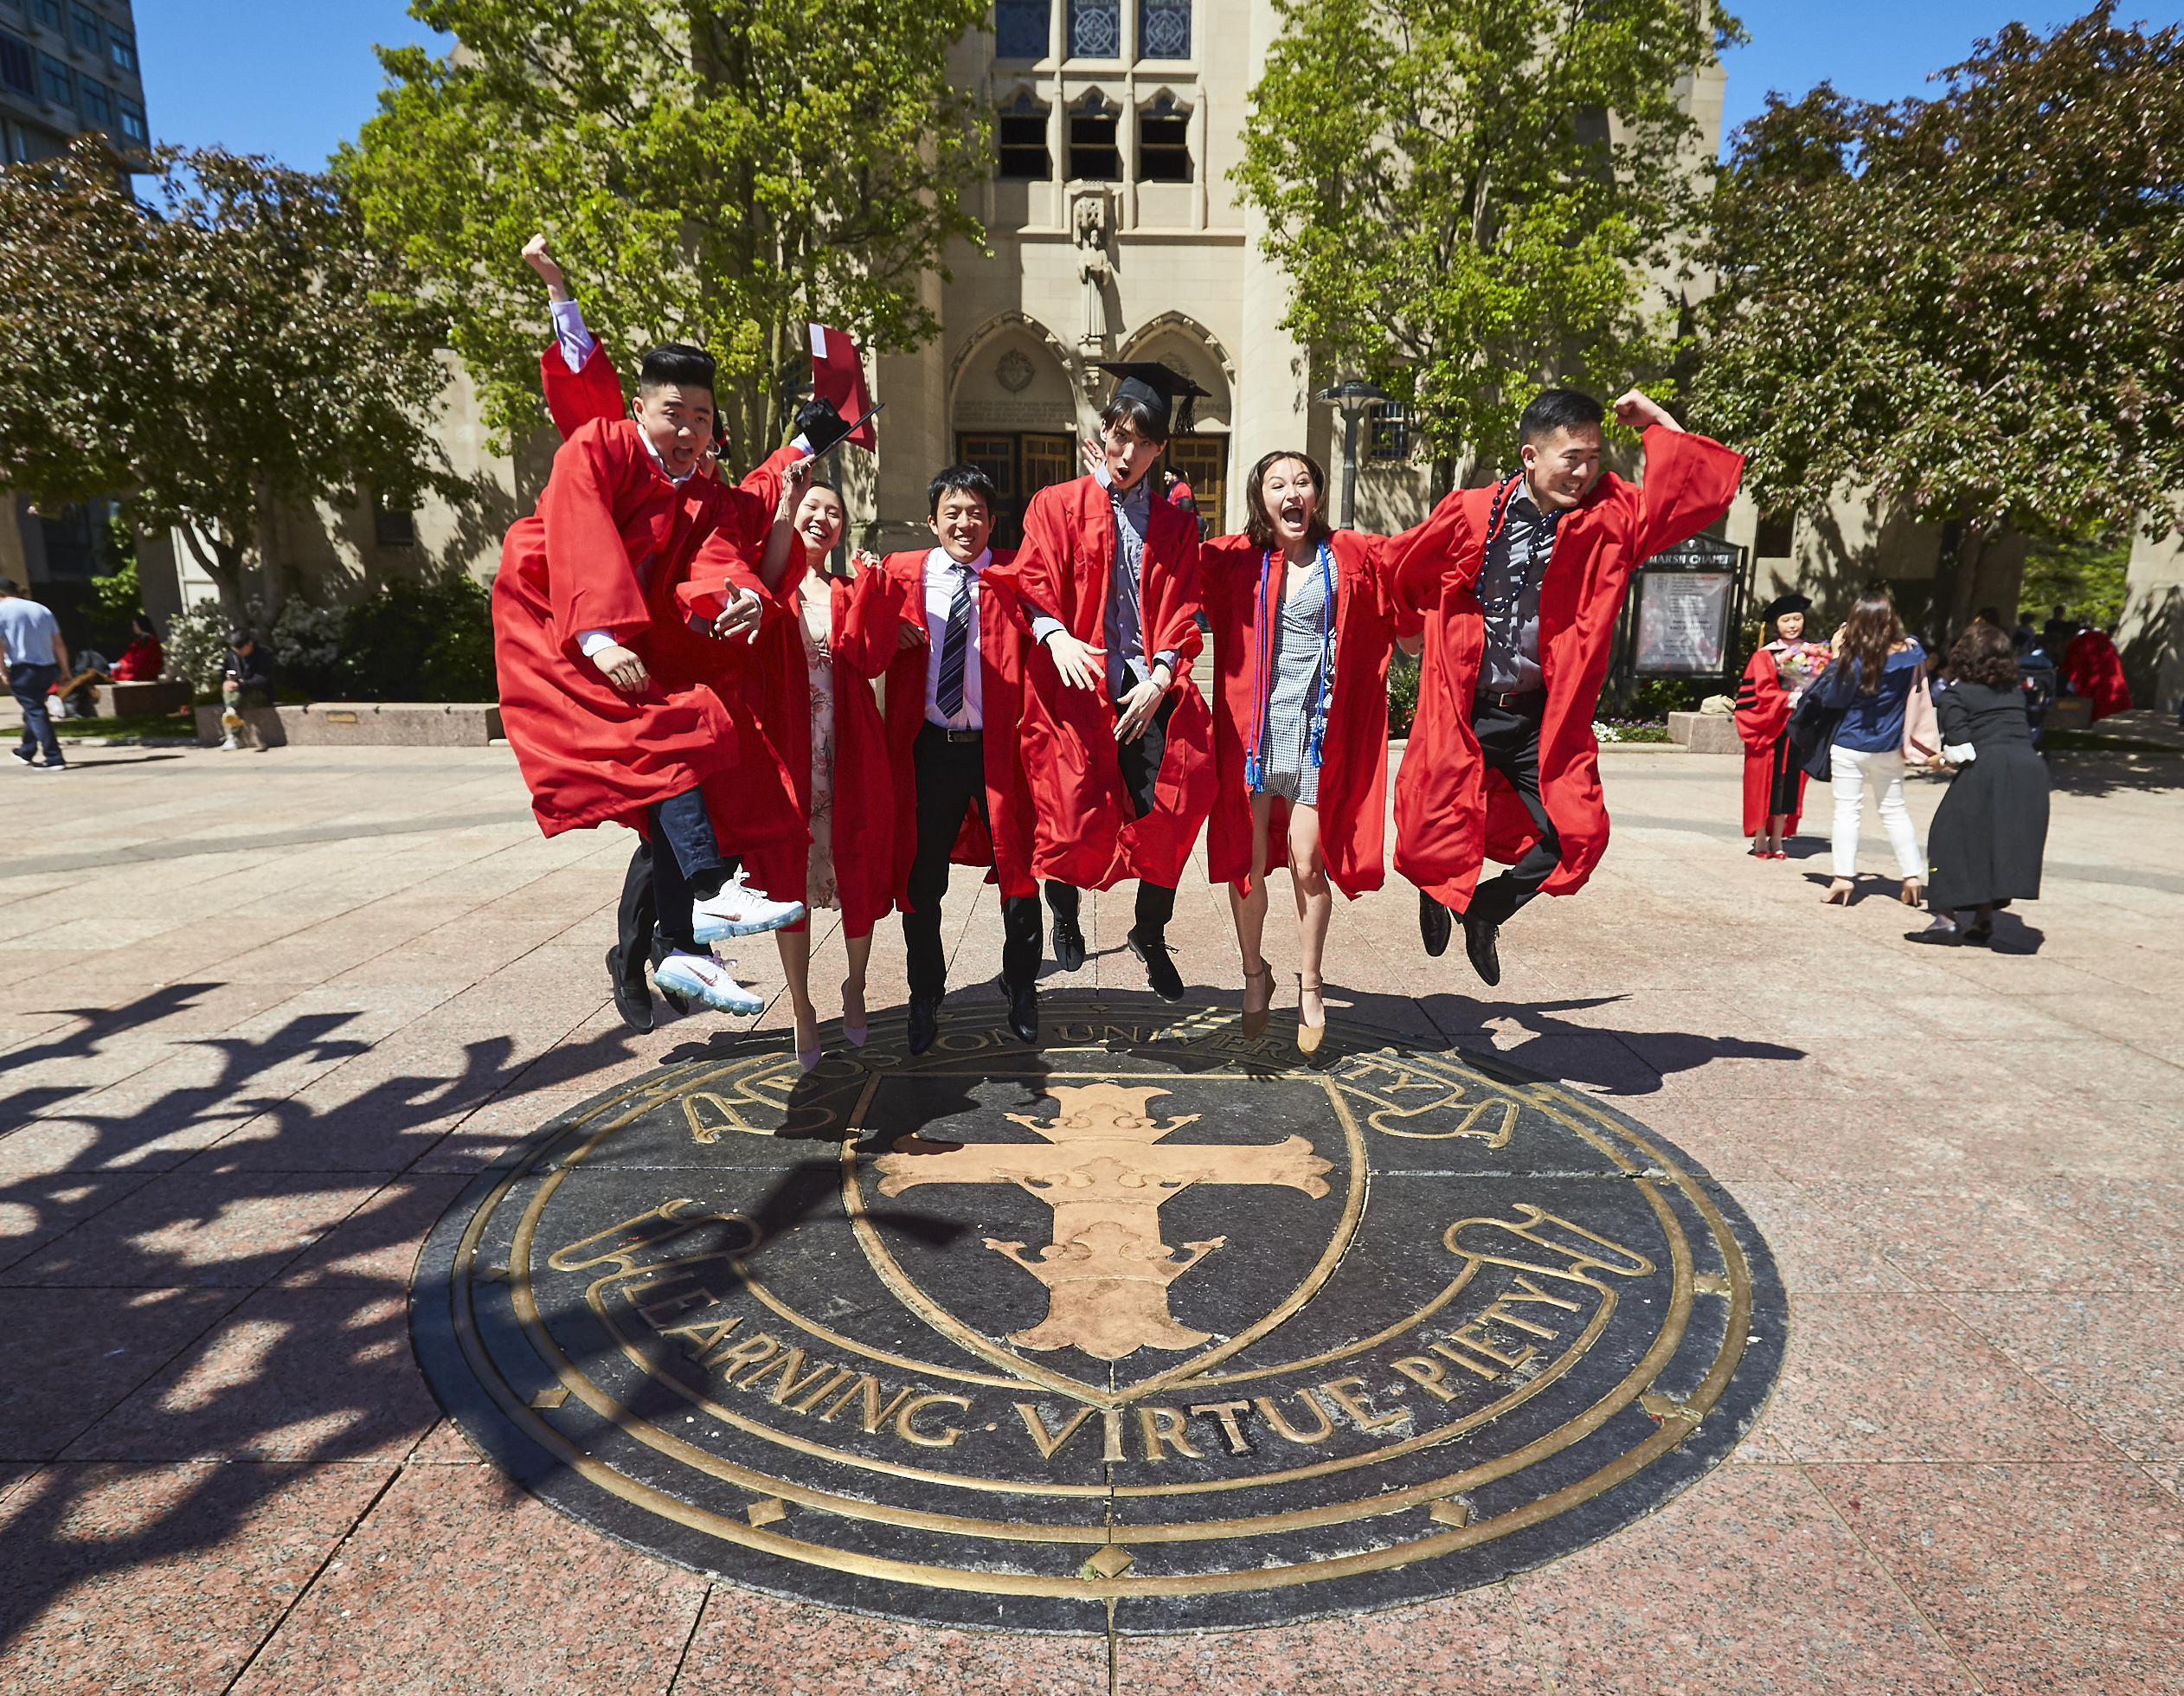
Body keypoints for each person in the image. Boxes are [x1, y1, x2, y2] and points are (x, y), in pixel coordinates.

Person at [517, 235, 855, 1031]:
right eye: (675, 413)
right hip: (563, 625)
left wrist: (738, 597)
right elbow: (577, 515)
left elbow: (737, 531)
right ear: (641, 409)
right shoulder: (599, 449)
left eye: (702, 417)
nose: (689, 429)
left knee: (694, 741)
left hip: (651, 648)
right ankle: (697, 906)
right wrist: (559, 287)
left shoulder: (703, 489)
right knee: (673, 756)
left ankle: (686, 946)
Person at [1384, 389, 1744, 985]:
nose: (1584, 471)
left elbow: (1690, 493)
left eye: (1594, 457)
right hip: (1466, 706)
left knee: (1579, 834)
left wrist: (1655, 420)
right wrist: (1406, 631)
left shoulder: (1611, 518)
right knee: (1427, 824)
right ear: (1531, 455)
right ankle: (1434, 885)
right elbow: (1404, 564)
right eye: (1571, 457)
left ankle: (1487, 909)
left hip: (1540, 717)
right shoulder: (1474, 510)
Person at [1002, 362, 1218, 1002]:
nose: (1127, 453)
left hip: (1144, 689)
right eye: (1119, 436)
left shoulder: (1177, 525)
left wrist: (1160, 677)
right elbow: (1030, 579)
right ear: (1105, 429)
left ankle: (1148, 933)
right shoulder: (1056, 503)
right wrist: (1055, 634)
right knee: (1065, 816)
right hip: (1073, 687)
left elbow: (1182, 608)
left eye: (1142, 443)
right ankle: (1064, 913)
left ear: (1159, 449)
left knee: (1171, 816)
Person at [691, 475, 904, 1068]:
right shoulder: (768, 587)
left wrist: (877, 591)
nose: (823, 518)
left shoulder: (847, 585)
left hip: (849, 750)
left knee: (858, 863)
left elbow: (871, 655)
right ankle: (803, 1007)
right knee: (790, 879)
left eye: (833, 511)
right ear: (794, 514)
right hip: (790, 747)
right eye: (812, 506)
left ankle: (855, 988)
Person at [1201, 450, 1395, 1051]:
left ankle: (1310, 983)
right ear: (1260, 498)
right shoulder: (1235, 560)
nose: (1292, 492)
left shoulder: (1349, 556)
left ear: (1316, 494)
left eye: (1302, 482)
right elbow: (1161, 570)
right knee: (1248, 863)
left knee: (1309, 861)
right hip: (1252, 734)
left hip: (1315, 731)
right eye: (1277, 484)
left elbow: (1415, 564)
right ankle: (1254, 974)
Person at [882, 466, 1044, 1052]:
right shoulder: (904, 573)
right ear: (932, 521)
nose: (964, 522)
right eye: (953, 511)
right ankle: (925, 993)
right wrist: (884, 629)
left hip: (999, 749)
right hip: (929, 748)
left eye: (975, 511)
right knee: (921, 879)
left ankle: (1022, 986)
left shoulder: (1013, 573)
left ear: (990, 521)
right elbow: (855, 625)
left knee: (1020, 873)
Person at [1910, 621, 2049, 945]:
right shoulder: (2013, 691)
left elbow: (1961, 751)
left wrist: (1937, 760)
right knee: (1994, 841)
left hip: (1990, 767)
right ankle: (1984, 919)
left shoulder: (1955, 694)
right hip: (2030, 769)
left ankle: (1945, 919)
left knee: (1947, 835)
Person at [1814, 590, 1928, 907]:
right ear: (1891, 620)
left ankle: (1842, 879)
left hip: (1849, 743)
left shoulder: (1852, 657)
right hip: (1889, 745)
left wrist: (1837, 654)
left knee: (1847, 811)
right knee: (1894, 810)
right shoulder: (1911, 653)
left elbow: (1833, 699)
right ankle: (1912, 875)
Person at [1735, 592, 1828, 858]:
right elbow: (1759, 694)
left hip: (1796, 728)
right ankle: (1761, 839)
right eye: (1786, 620)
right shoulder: (1764, 656)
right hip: (1770, 728)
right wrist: (1789, 697)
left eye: (1797, 618)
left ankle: (1779, 838)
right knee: (1765, 782)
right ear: (1776, 624)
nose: (1792, 625)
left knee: (1789, 783)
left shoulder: (1814, 654)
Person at [2, 576, 68, 772]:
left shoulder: (2, 611)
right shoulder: (41, 609)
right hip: (47, 668)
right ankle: (26, 750)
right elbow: (59, 643)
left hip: (23, 669)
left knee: (36, 711)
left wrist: (2, 671)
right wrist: (65, 670)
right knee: (33, 707)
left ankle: (54, 757)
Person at [219, 629, 278, 750]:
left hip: (260, 694)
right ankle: (232, 712)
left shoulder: (263, 656)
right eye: (235, 649)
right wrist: (228, 680)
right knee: (231, 691)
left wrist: (240, 686)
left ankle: (234, 734)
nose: (238, 652)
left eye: (241, 649)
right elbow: (225, 671)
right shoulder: (232, 656)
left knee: (236, 695)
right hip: (239, 692)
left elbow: (262, 681)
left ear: (249, 643)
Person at [2060, 626, 2130, 721]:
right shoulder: (2103, 640)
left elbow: (2073, 666)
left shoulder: (2080, 642)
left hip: (2092, 682)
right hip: (2111, 681)